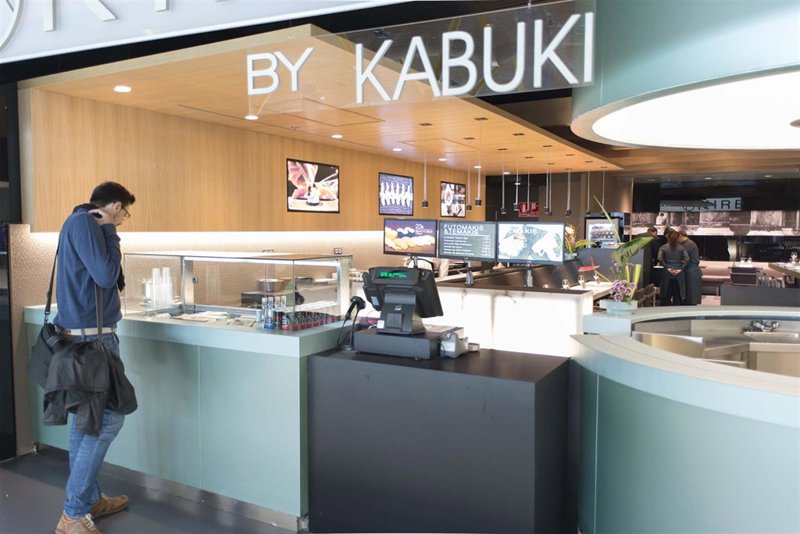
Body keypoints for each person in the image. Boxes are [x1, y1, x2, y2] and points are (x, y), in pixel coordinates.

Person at [53, 182, 138, 534]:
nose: (123, 219)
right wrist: (110, 233)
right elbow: (105, 276)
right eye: (125, 213)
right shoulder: (88, 224)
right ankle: (73, 514)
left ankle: (88, 501)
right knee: (110, 419)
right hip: (93, 342)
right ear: (115, 206)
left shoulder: (78, 222)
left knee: (85, 423)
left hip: (85, 338)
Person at [657, 229, 689, 306]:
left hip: (667, 272)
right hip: (679, 273)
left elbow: (659, 258)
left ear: (668, 237)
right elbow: (687, 259)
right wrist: (680, 269)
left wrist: (667, 267)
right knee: (677, 295)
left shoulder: (663, 247)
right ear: (678, 238)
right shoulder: (681, 248)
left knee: (666, 294)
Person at [677, 229, 702, 305]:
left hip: (691, 272)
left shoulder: (688, 244)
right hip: (690, 270)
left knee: (691, 295)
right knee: (689, 294)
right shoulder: (688, 243)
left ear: (680, 236)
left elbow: (684, 258)